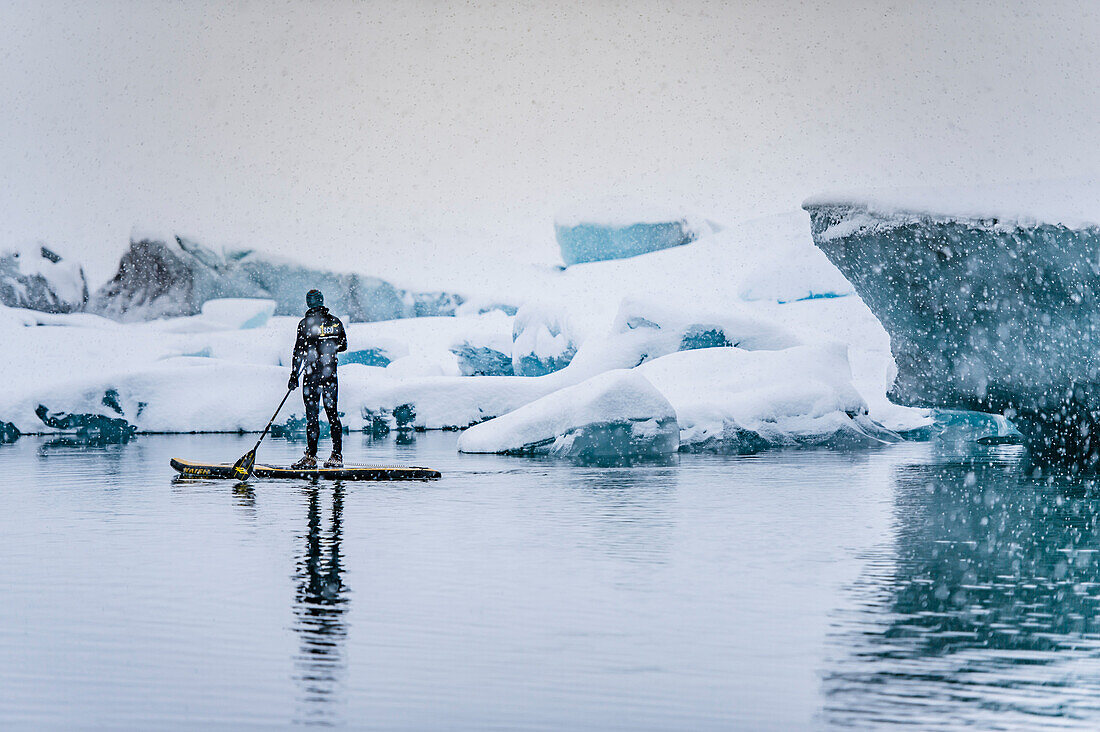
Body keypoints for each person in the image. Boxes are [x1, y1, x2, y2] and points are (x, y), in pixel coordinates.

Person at [288, 289, 347, 468]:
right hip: (330, 376)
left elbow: (298, 352)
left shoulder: (305, 324)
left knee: (312, 417)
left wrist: (293, 374)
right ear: (322, 301)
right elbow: (343, 345)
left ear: (308, 303)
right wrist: (327, 347)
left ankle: (311, 458)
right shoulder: (335, 322)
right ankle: (336, 456)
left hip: (312, 376)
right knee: (332, 415)